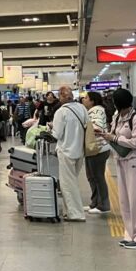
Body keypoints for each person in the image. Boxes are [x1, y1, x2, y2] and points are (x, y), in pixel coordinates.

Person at [101, 89, 136, 249]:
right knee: (125, 200)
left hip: (135, 161)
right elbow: (113, 134)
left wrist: (116, 138)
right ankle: (130, 234)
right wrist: (106, 135)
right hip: (120, 160)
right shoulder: (117, 117)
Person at [51, 86, 88, 222]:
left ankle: (76, 214)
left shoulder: (61, 112)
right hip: (80, 150)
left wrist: (51, 127)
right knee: (72, 182)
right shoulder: (82, 108)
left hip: (66, 151)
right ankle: (69, 211)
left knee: (68, 184)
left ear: (61, 97)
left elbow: (57, 134)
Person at [82, 91, 111, 215]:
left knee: (98, 177)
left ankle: (103, 205)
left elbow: (97, 126)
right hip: (92, 149)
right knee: (91, 177)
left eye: (86, 98)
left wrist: (83, 126)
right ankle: (95, 202)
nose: (84, 99)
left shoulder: (96, 111)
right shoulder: (92, 111)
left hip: (98, 148)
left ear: (93, 101)